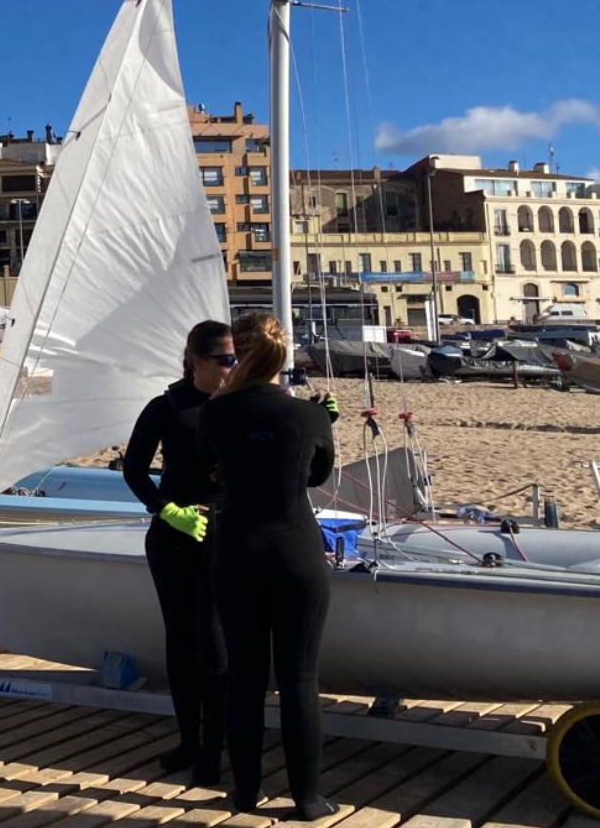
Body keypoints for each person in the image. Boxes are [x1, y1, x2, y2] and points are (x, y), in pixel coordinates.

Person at [201, 312, 337, 820]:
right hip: (295, 549)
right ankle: (307, 798)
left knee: (246, 677)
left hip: (237, 550)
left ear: (240, 352)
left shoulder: (215, 413)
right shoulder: (310, 416)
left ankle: (244, 793)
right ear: (283, 358)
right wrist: (321, 424)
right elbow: (316, 474)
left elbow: (207, 471)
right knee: (300, 678)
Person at [120, 318, 234, 787]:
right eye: (226, 359)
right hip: (172, 537)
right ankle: (189, 740)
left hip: (222, 534)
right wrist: (166, 510)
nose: (234, 366)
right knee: (180, 644)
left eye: (238, 359)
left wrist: (317, 422)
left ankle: (213, 748)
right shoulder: (166, 406)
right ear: (198, 362)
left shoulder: (239, 405)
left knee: (213, 645)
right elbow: (134, 470)